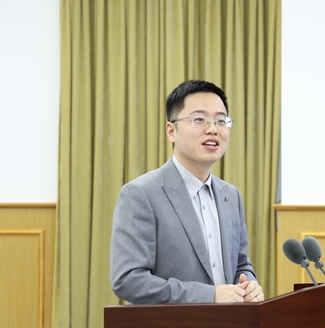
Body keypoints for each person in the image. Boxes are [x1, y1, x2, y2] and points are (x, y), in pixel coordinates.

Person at [110, 79, 264, 307]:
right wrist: (209, 296)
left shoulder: (231, 195)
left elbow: (241, 265)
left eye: (221, 121)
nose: (213, 129)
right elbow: (128, 280)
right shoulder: (141, 194)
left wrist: (249, 285)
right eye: (199, 119)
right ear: (171, 131)